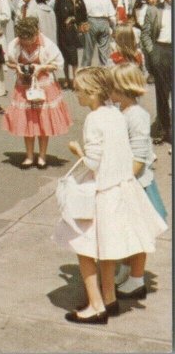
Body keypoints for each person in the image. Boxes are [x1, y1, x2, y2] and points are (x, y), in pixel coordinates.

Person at [55, 67, 166, 324]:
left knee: (84, 248)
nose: (76, 94)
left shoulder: (94, 119)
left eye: (80, 90)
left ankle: (96, 306)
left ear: (93, 92)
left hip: (103, 192)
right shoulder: (116, 114)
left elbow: (93, 162)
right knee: (107, 250)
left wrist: (76, 149)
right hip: (122, 188)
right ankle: (110, 298)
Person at [109, 63, 167, 296]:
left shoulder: (137, 116)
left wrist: (124, 180)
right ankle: (126, 268)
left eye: (111, 87)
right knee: (125, 231)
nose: (108, 91)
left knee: (137, 232)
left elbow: (140, 157)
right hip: (126, 180)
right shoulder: (122, 111)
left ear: (122, 88)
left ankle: (137, 278)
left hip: (136, 185)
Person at [2, 17, 70, 169]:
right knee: (28, 121)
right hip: (24, 86)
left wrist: (41, 68)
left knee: (43, 120)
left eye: (30, 40)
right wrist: (17, 67)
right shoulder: (15, 44)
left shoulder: (47, 44)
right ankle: (29, 155)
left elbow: (58, 64)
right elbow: (8, 61)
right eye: (24, 40)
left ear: (36, 33)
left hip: (43, 85)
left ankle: (42, 156)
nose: (27, 43)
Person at [140, 0, 172, 144]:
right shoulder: (153, 10)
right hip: (160, 50)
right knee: (162, 93)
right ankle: (165, 130)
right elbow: (144, 33)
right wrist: (152, 52)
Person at [54, 0, 88, 89]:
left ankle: (75, 81)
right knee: (63, 57)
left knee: (73, 57)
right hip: (61, 32)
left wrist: (73, 18)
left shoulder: (75, 0)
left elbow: (82, 15)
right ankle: (67, 79)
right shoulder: (58, 0)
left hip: (71, 33)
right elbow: (57, 15)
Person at [81, 0, 115, 66]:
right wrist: (113, 28)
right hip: (104, 21)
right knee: (104, 51)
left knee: (88, 50)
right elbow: (112, 16)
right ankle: (105, 71)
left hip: (91, 20)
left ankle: (85, 71)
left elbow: (83, 12)